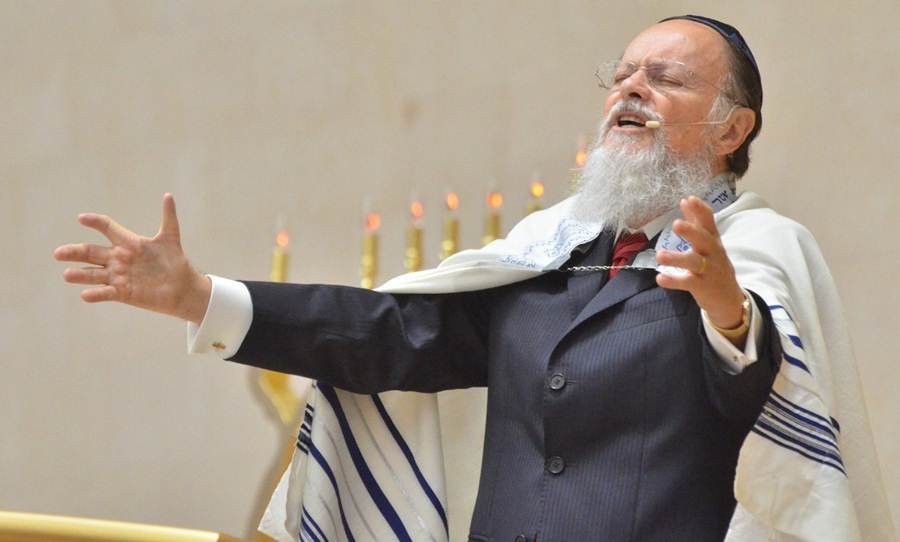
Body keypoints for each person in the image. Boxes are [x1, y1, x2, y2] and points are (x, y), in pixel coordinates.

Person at [55, 15, 893, 542]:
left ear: (731, 128)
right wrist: (200, 298)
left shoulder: (760, 251)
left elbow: (782, 421)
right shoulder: (547, 250)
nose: (629, 91)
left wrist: (726, 310)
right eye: (623, 76)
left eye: (665, 79)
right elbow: (391, 337)